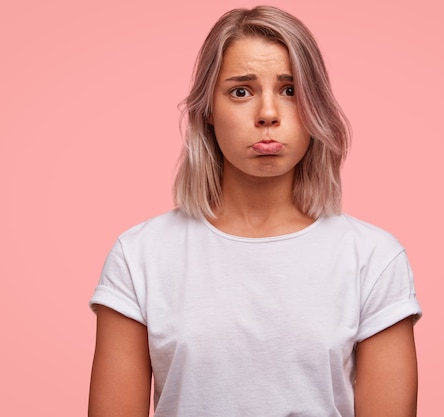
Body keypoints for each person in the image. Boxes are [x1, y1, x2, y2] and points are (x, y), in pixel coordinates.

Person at [88, 5, 422, 417]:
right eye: (241, 91)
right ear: (208, 110)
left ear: (315, 107)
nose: (268, 114)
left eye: (290, 90)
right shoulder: (139, 256)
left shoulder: (373, 259)